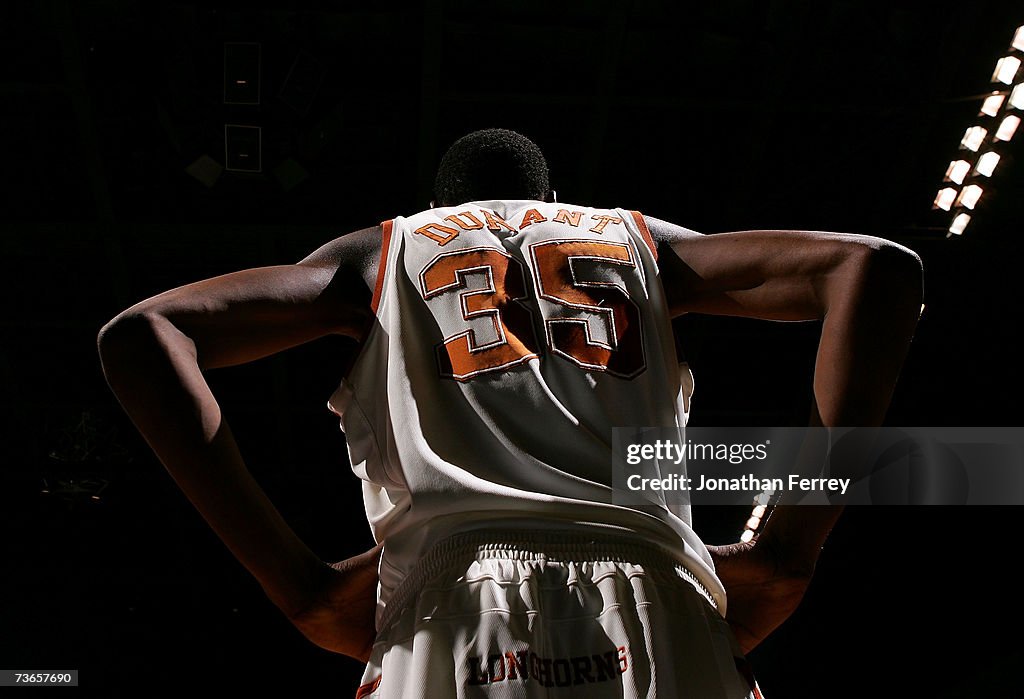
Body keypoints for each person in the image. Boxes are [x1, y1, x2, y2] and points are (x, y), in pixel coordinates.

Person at [97, 128, 922, 697]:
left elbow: (143, 333)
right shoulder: (635, 240)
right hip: (655, 589)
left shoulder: (381, 250)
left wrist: (297, 582)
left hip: (451, 600)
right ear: (556, 199)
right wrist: (789, 542)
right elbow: (872, 268)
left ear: (435, 206)